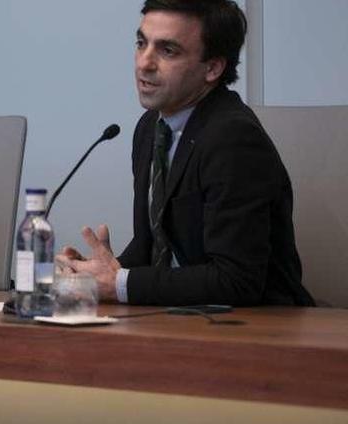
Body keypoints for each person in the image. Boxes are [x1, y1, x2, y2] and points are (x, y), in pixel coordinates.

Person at [59, 0, 314, 306]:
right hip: (180, 320)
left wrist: (120, 283)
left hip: (261, 329)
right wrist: (94, 273)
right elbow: (151, 247)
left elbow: (236, 280)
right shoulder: (150, 127)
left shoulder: (233, 138)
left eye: (168, 51)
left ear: (213, 68)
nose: (144, 63)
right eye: (142, 44)